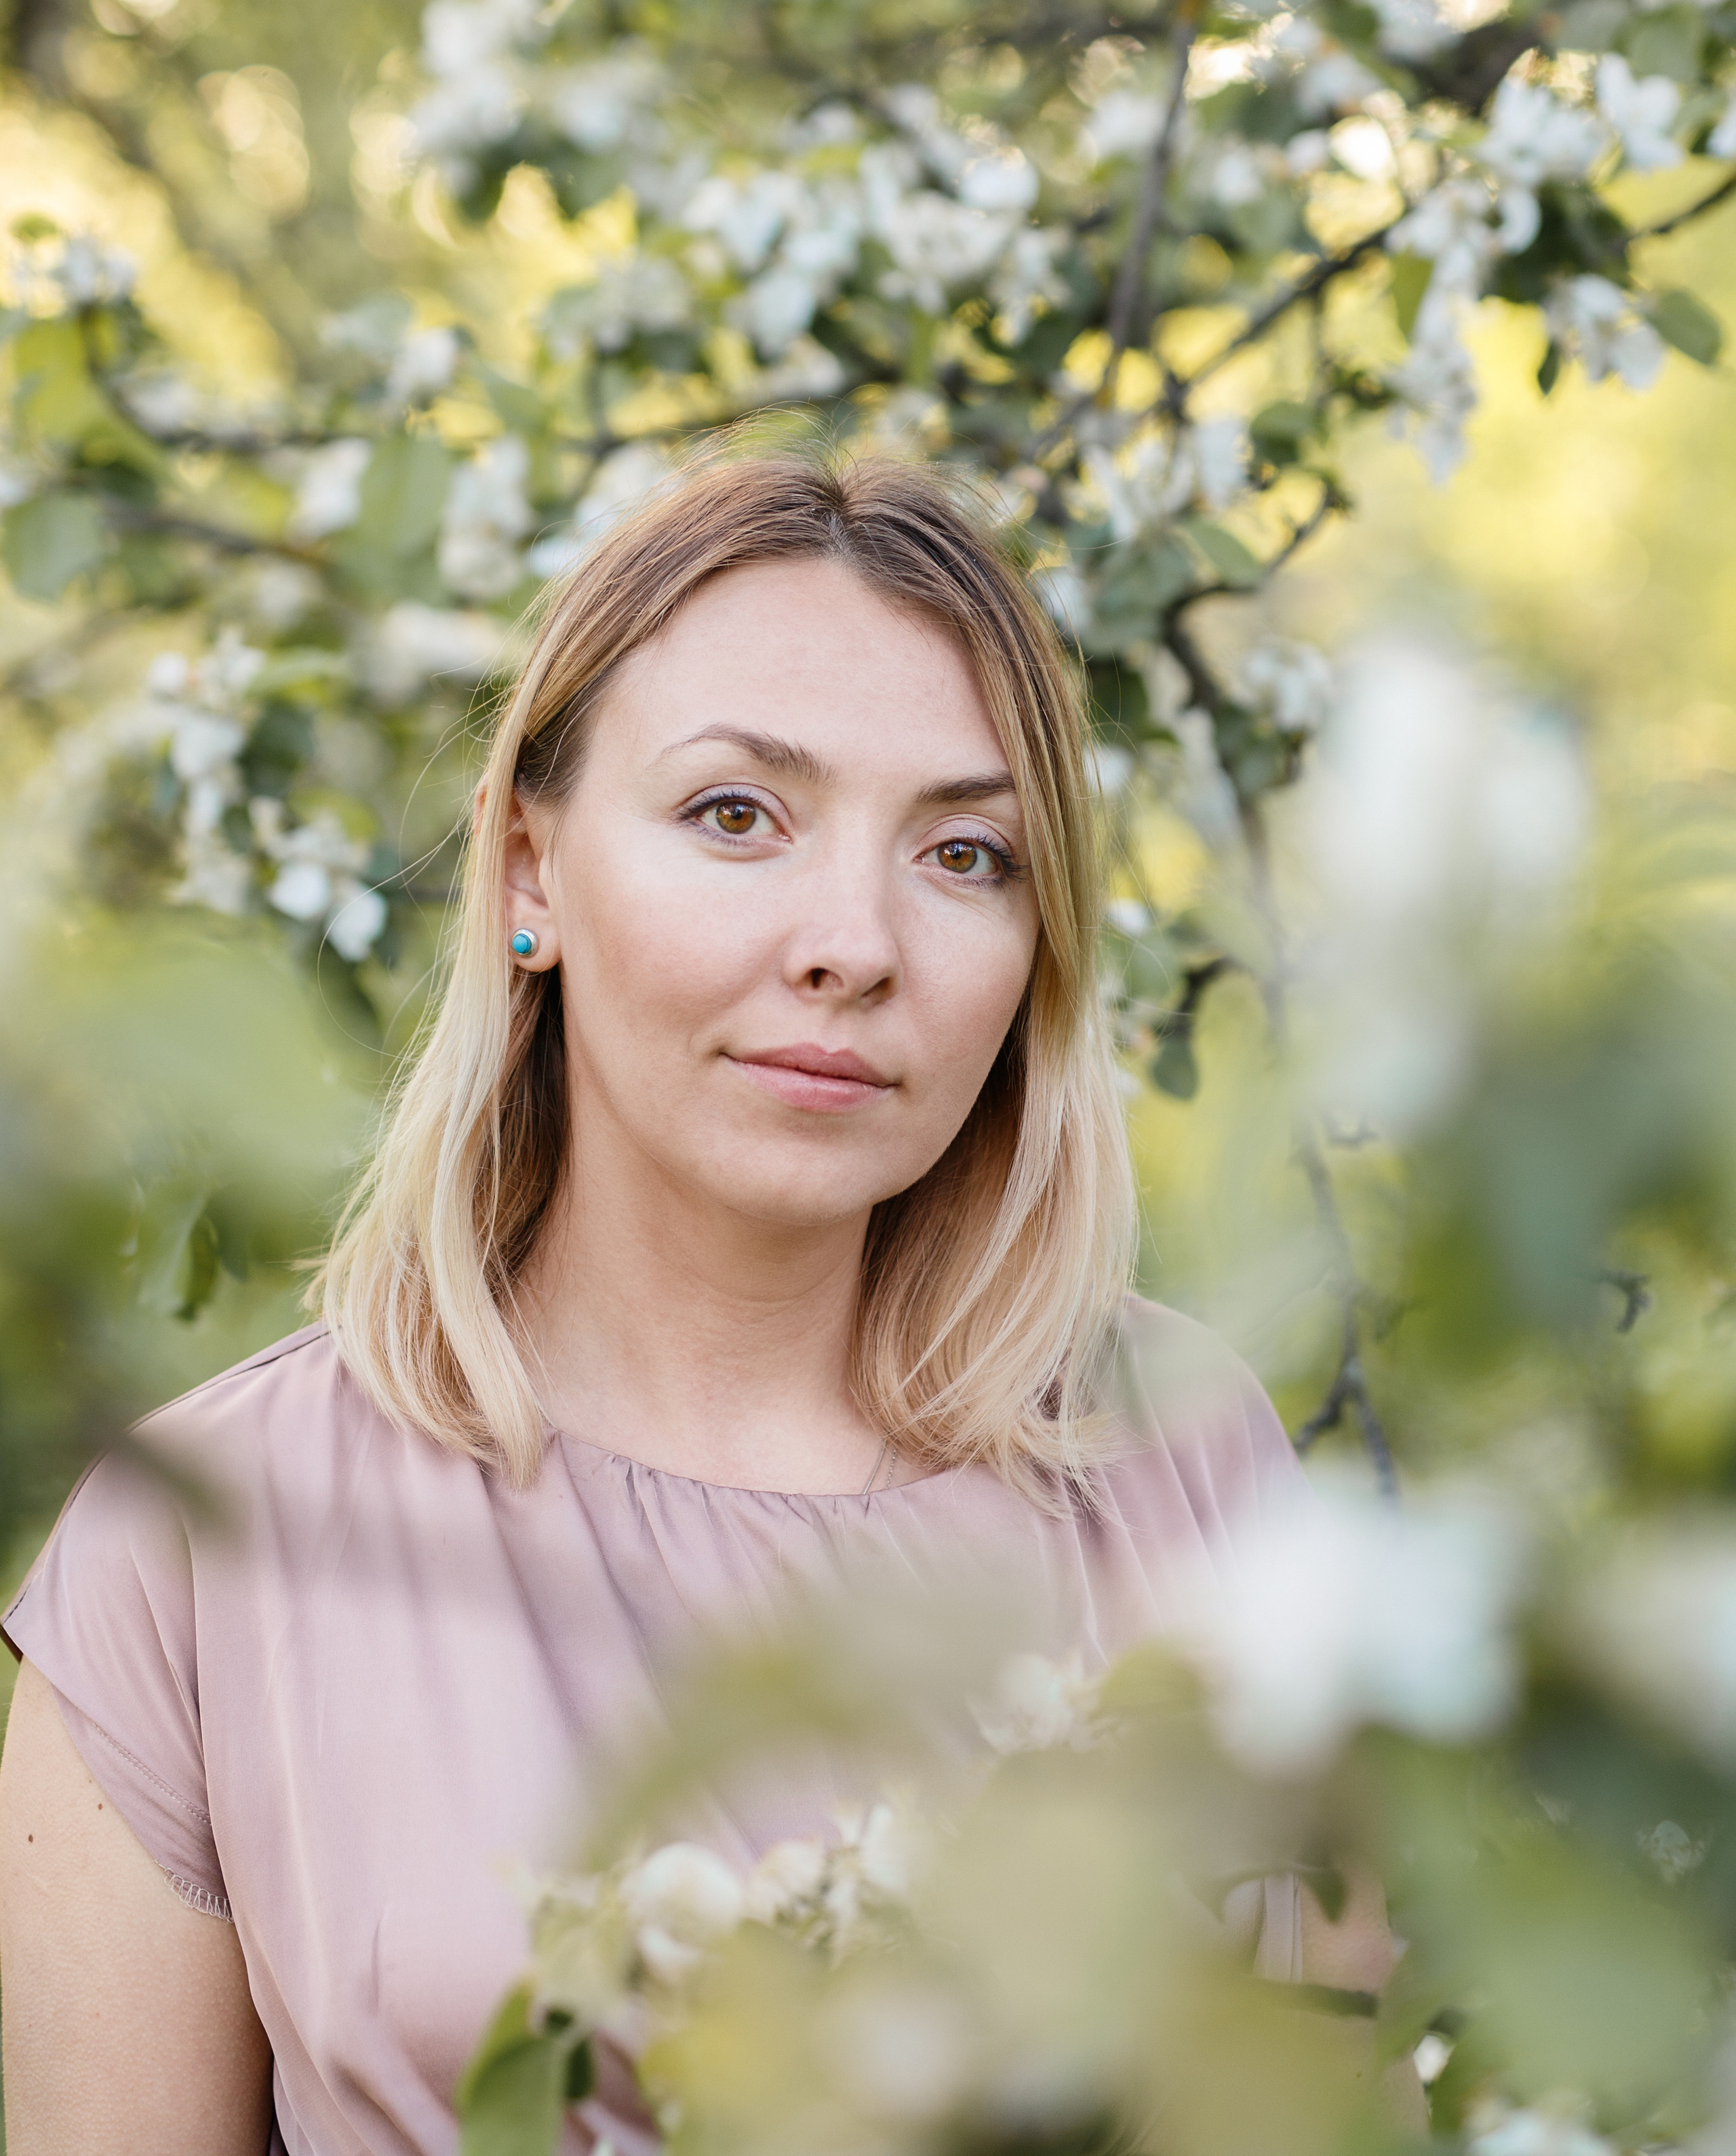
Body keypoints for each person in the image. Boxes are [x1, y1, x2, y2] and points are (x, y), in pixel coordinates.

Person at [0, 454, 1398, 2155]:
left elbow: (1340, 2112)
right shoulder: (198, 1550)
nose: (851, 943)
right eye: (737, 814)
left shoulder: (1182, 1465)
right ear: (527, 874)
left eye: (964, 854)